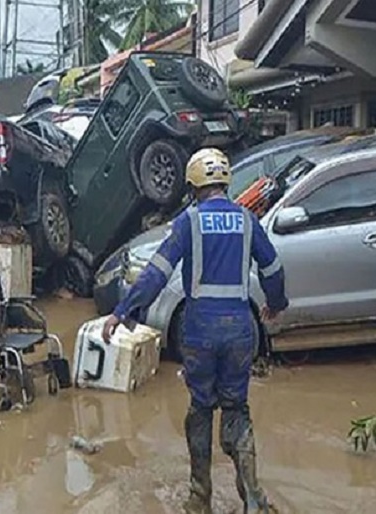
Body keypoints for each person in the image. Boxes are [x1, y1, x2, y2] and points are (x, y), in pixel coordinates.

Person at [102, 147, 288, 514]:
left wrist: (124, 311)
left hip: (200, 331)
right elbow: (273, 269)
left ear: (193, 186)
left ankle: (199, 498)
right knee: (237, 409)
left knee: (200, 409)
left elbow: (156, 272)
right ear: (225, 182)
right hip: (240, 331)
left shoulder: (189, 222)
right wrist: (276, 303)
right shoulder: (247, 220)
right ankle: (254, 501)